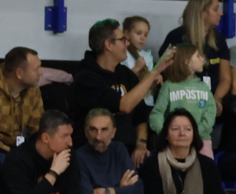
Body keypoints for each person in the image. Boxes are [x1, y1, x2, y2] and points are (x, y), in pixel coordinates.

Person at [71, 20, 169, 168]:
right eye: (122, 39)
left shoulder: (124, 74)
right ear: (108, 45)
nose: (127, 44)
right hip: (94, 153)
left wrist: (141, 143)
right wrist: (153, 73)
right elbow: (124, 106)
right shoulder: (86, 77)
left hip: (127, 151)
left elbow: (140, 114)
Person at [0, 110, 105, 194]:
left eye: (70, 135)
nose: (70, 142)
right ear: (46, 138)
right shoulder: (18, 159)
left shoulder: (68, 154)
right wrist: (53, 173)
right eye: (64, 136)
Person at [159, 0, 234, 142]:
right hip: (184, 94)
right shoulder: (176, 37)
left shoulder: (218, 39)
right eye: (216, 9)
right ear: (202, 12)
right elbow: (167, 72)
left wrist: (215, 99)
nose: (221, 13)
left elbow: (226, 78)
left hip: (213, 94)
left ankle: (225, 150)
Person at [74, 108, 148, 194]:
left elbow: (137, 192)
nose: (98, 137)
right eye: (93, 129)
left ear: (113, 132)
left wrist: (107, 192)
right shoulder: (79, 157)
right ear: (86, 132)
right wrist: (121, 193)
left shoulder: (119, 149)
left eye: (104, 130)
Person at [150, 45, 219, 159]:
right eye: (198, 56)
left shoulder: (203, 87)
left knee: (205, 168)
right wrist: (166, 134)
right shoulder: (169, 86)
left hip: (201, 140)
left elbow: (211, 112)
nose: (203, 58)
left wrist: (195, 133)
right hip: (174, 143)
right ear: (186, 61)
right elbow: (157, 113)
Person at [0, 46, 44, 164]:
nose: (41, 73)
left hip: (20, 148)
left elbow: (37, 129)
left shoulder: (33, 91)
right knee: (3, 162)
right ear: (19, 73)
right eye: (36, 69)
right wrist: (13, 153)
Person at [123, 16, 154, 87]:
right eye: (138, 33)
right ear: (127, 34)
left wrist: (155, 76)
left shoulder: (148, 56)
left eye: (145, 35)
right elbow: (121, 80)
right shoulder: (122, 54)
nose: (142, 38)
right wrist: (136, 68)